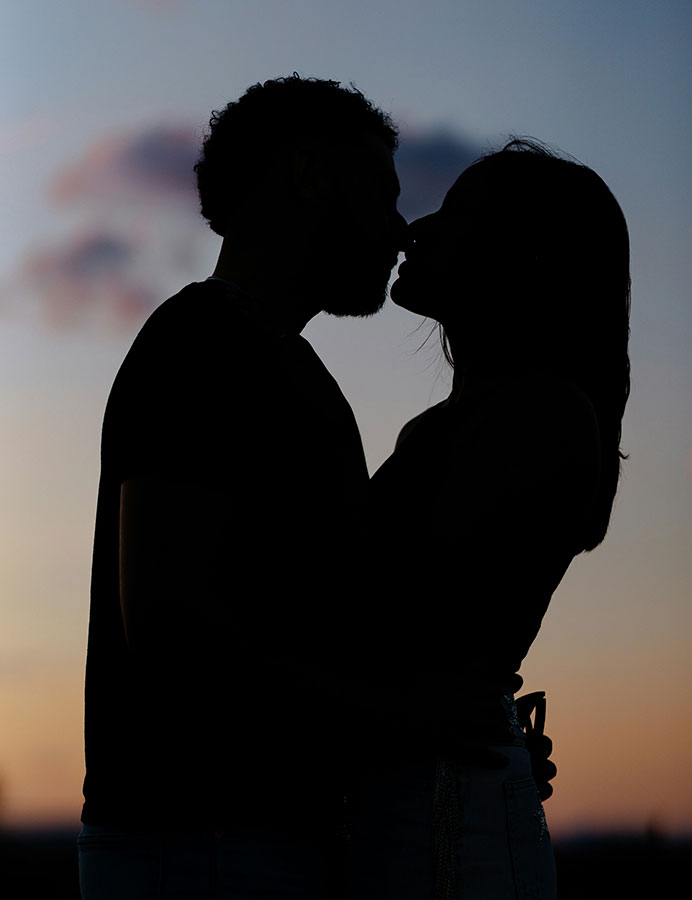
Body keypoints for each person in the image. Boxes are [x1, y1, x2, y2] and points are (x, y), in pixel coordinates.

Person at [77, 74, 555, 898]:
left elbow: (318, 634)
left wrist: (460, 748)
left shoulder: (279, 366)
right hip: (202, 850)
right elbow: (173, 628)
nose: (399, 228)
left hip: (249, 845)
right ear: (307, 175)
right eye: (382, 192)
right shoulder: (202, 345)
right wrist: (415, 720)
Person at [340, 139, 631, 900]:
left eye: (455, 214)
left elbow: (400, 620)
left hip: (447, 820)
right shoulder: (452, 426)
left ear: (522, 257)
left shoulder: (545, 417)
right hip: (419, 802)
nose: (416, 230)